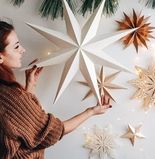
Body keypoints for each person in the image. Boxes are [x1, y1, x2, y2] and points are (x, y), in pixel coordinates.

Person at [0, 20, 112, 159]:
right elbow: (51, 132)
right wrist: (91, 111)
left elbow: (23, 126)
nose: (23, 50)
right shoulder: (9, 97)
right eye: (16, 47)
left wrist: (30, 85)